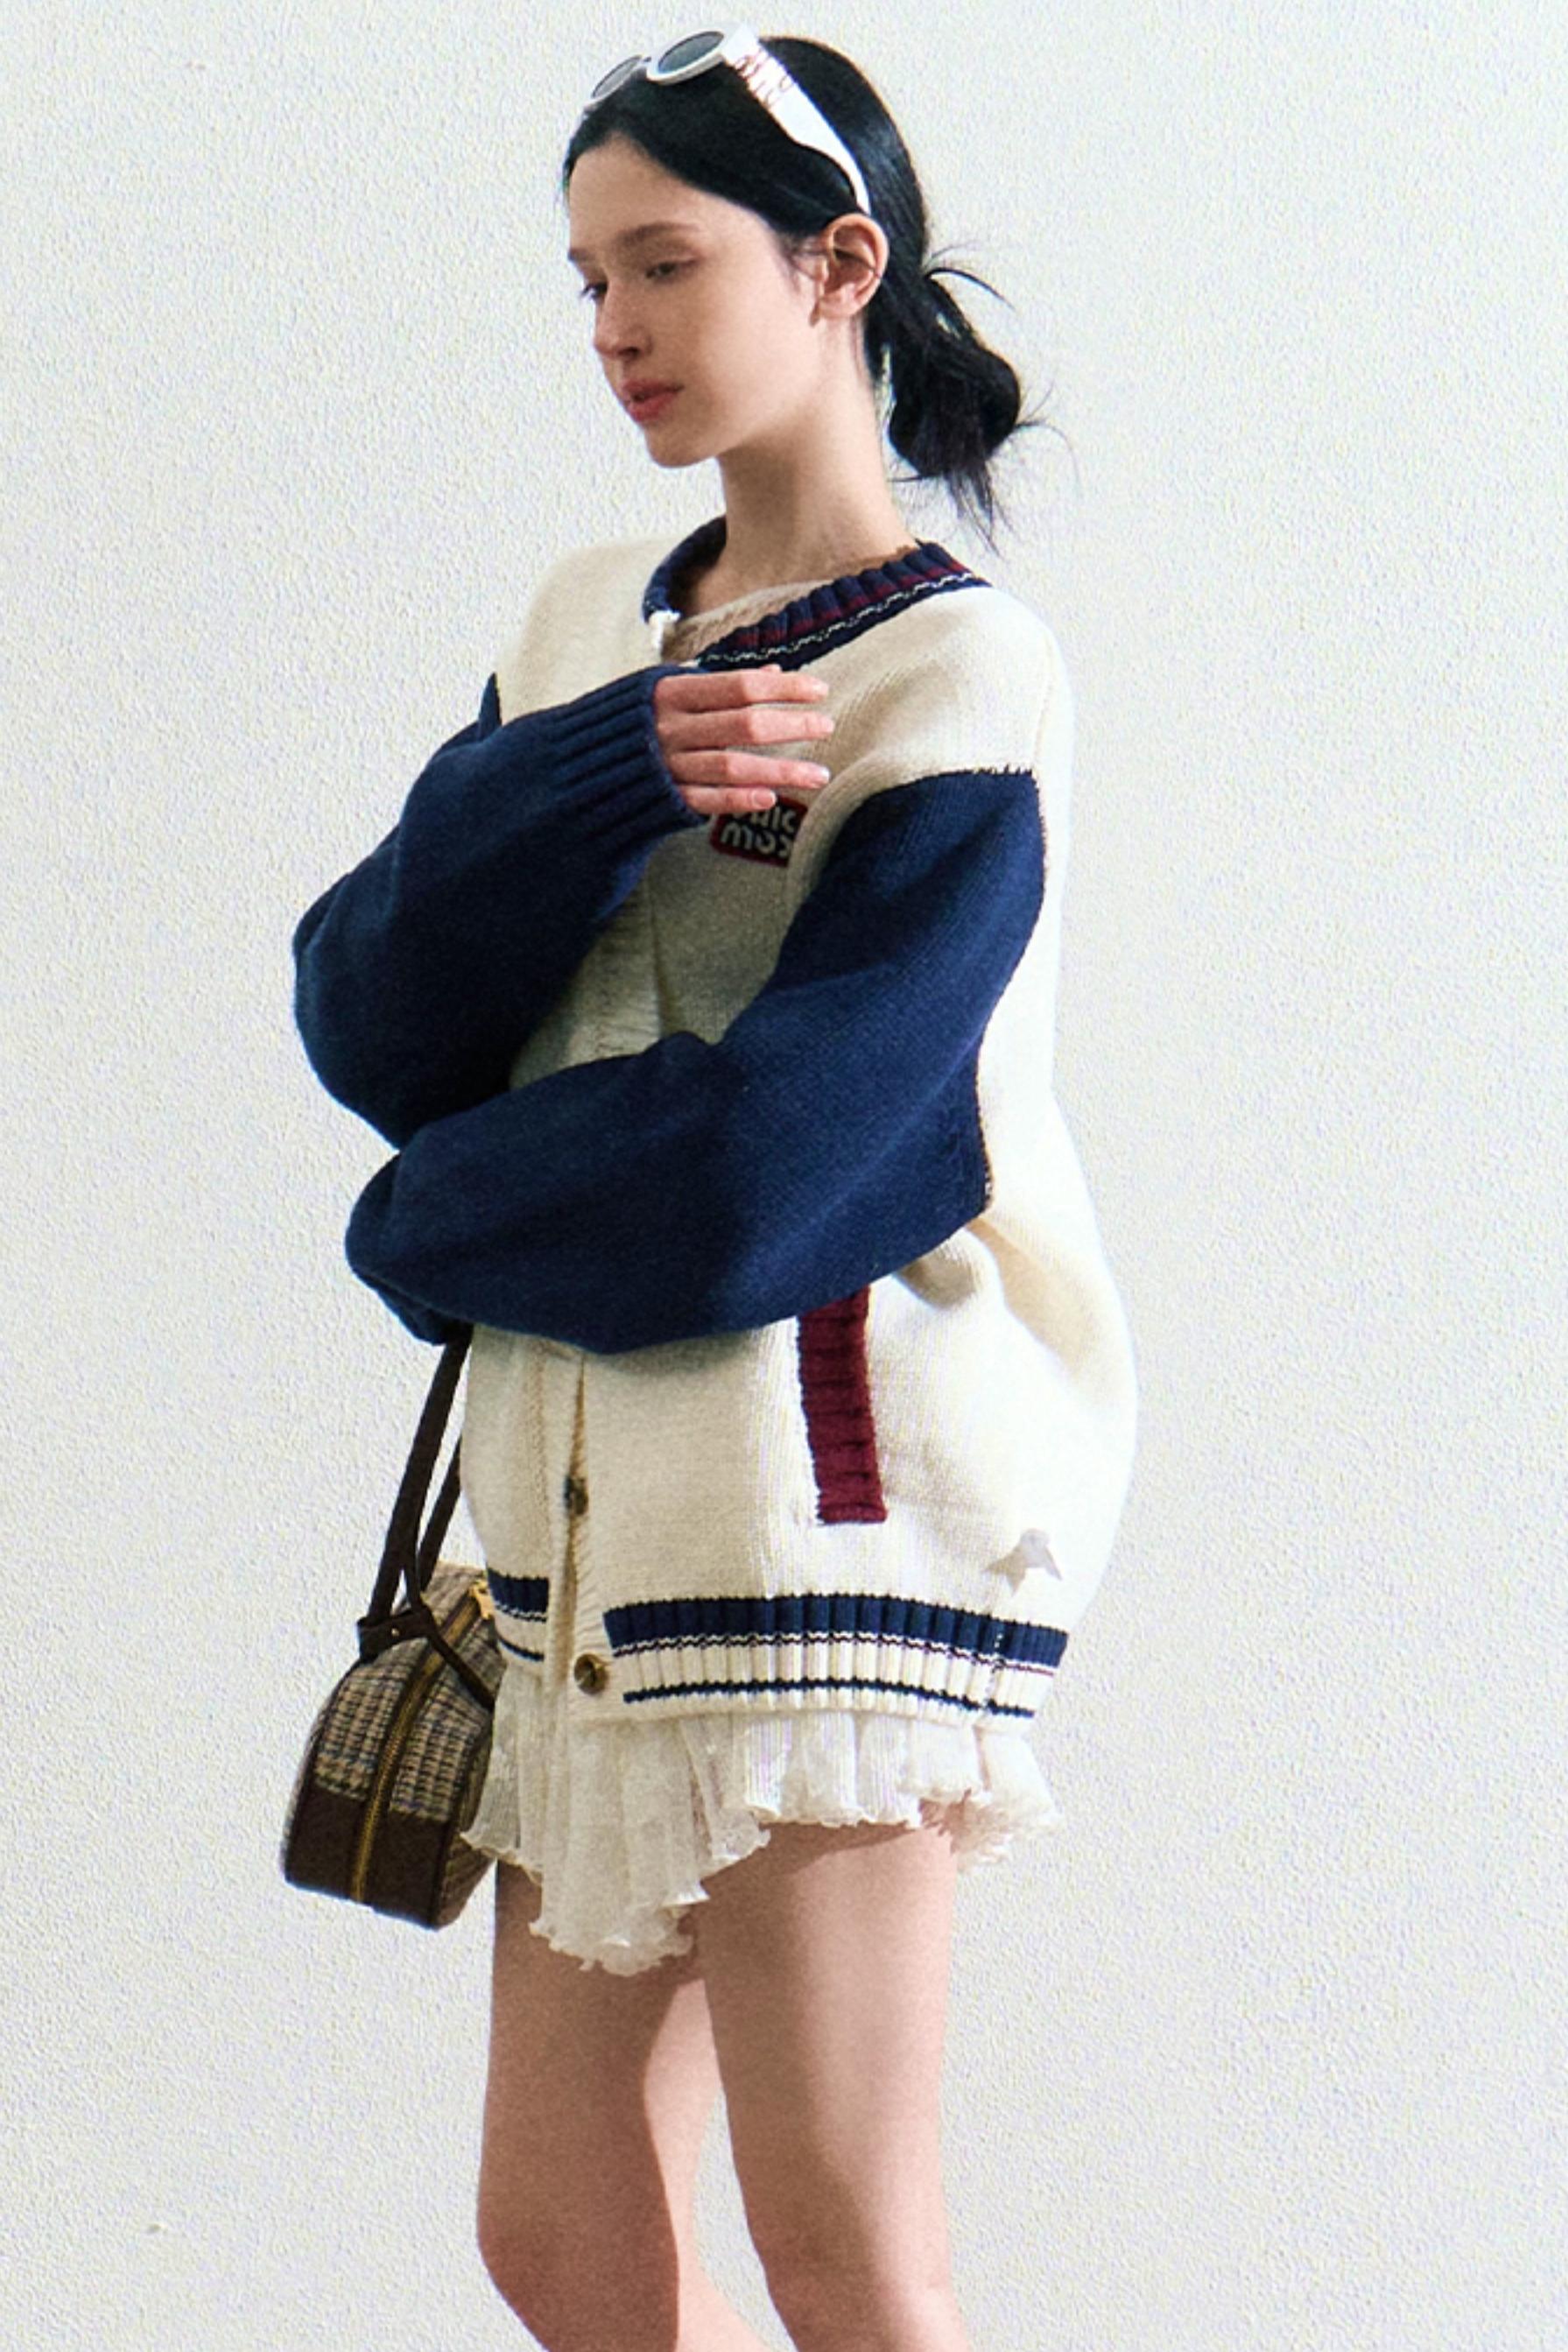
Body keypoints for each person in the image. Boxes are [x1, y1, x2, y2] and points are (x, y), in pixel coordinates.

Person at [291, 28, 1138, 2352]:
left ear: (837, 265)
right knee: (559, 2236)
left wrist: (422, 1221)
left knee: (845, 2247)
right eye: (587, 280)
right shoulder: (591, 627)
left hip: (822, 1542)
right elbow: (374, 1016)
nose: (618, 329)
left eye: (665, 264)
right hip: (575, 1555)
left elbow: (778, 1169)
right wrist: (597, 775)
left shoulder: (961, 671)